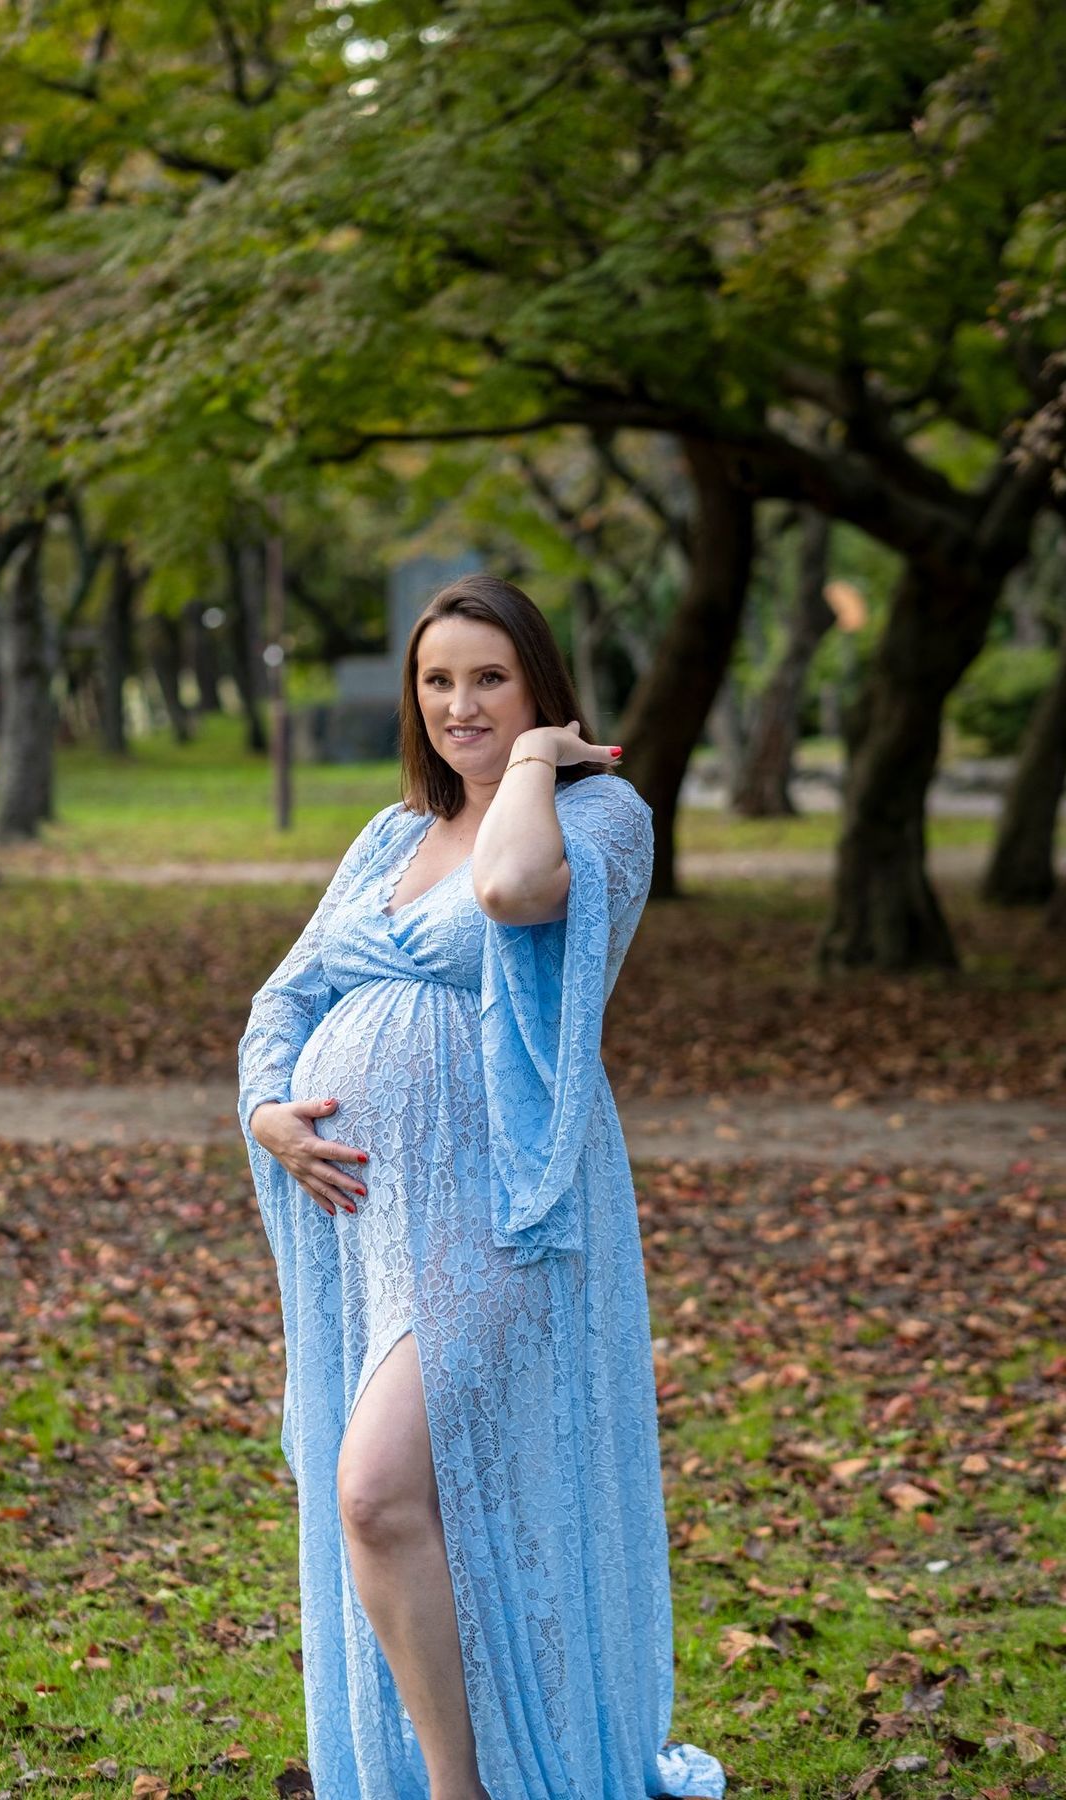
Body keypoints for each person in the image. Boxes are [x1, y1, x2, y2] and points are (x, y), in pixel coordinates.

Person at [237, 573, 726, 1800]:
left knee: (381, 1487)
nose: (460, 704)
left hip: (510, 1206)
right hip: (371, 1222)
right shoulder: (389, 840)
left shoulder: (602, 815)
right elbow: (285, 996)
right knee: (418, 1502)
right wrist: (266, 1112)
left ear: (541, 689)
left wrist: (531, 771)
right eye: (438, 680)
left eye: (490, 679)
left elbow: (510, 895)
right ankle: (455, 1775)